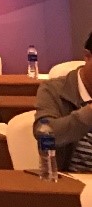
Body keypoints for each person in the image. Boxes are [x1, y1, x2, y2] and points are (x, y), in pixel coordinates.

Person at [34, 31, 92, 171]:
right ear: (87, 56)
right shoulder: (53, 90)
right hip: (73, 179)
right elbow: (44, 133)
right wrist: (88, 114)